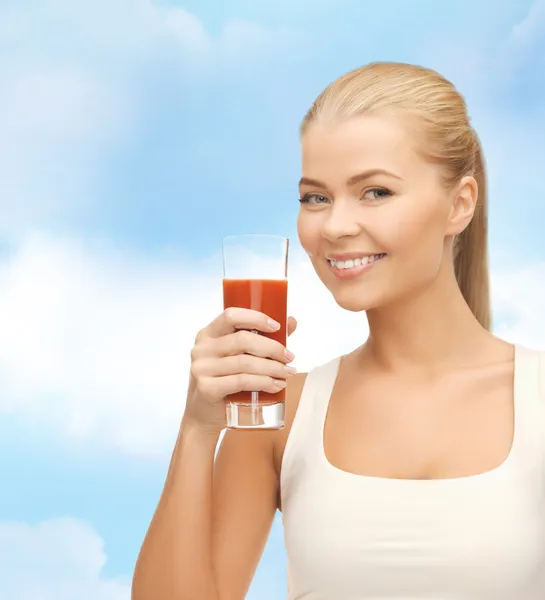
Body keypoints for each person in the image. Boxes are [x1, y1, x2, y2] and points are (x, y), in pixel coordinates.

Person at [131, 62, 545, 600]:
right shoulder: (278, 415)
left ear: (459, 204)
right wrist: (197, 429)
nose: (335, 226)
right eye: (315, 197)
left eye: (375, 192)